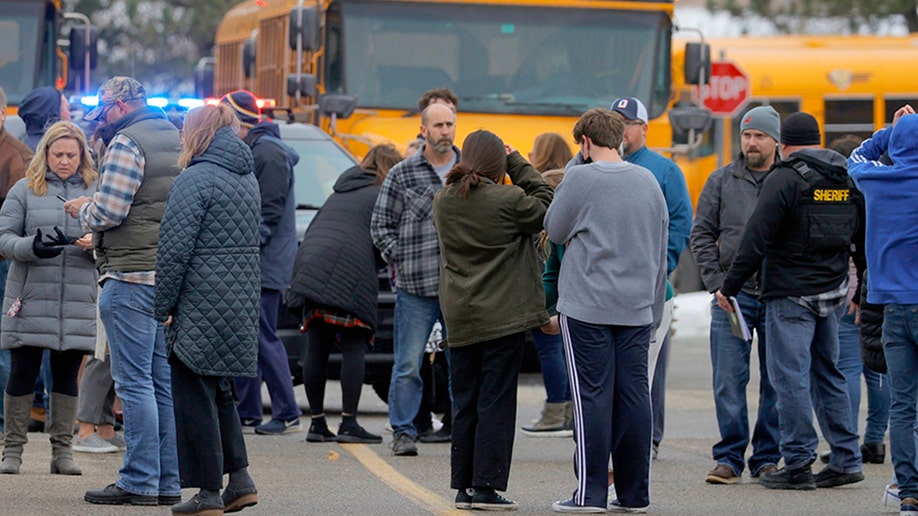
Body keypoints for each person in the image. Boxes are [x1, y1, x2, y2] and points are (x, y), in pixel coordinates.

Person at [717, 112, 865, 491]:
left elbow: (756, 239)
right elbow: (860, 238)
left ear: (783, 142)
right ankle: (846, 459)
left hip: (790, 297)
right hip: (831, 295)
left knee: (790, 378)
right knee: (828, 374)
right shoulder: (845, 178)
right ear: (818, 139)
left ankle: (798, 461)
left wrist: (729, 286)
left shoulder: (784, 178)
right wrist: (861, 287)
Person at [65, 76, 182, 506]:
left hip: (129, 274)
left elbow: (111, 211)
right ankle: (166, 481)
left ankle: (137, 479)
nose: (104, 122)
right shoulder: (174, 134)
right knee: (160, 383)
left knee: (133, 385)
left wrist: (83, 209)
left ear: (116, 107)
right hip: (164, 275)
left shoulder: (126, 143)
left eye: (104, 113)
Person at [545, 108, 667, 513]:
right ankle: (634, 494)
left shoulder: (579, 177)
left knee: (590, 399)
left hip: (588, 307)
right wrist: (652, 308)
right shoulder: (648, 180)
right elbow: (660, 248)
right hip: (636, 306)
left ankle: (589, 493)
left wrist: (572, 170)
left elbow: (556, 228)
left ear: (583, 143)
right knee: (634, 398)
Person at [433, 129, 553, 510]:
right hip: (502, 317)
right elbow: (547, 201)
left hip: (461, 315)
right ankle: (486, 486)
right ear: (497, 163)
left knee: (464, 401)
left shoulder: (443, 199)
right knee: (495, 402)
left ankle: (462, 486)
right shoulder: (509, 199)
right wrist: (517, 160)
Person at [154, 103, 261, 515]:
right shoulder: (246, 177)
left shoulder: (194, 179)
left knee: (194, 395)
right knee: (220, 392)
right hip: (237, 299)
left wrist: (163, 305)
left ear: (195, 133)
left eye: (184, 130)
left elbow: (174, 250)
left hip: (200, 300)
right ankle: (241, 480)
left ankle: (209, 494)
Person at [690, 105, 782, 483]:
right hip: (733, 296)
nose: (751, 142)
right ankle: (729, 456)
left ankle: (766, 457)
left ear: (775, 140)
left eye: (759, 135)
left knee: (777, 380)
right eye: (746, 135)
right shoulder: (721, 180)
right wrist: (716, 283)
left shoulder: (788, 179)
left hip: (779, 294)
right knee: (729, 379)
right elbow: (701, 235)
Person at [287, 144, 402, 444]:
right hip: (348, 267)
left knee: (317, 344)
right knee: (354, 344)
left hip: (310, 263)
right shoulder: (382, 194)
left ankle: (317, 423)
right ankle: (349, 423)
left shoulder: (340, 190)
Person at [0, 121, 96, 476]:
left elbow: (116, 239)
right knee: (22, 372)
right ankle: (12, 450)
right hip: (30, 295)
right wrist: (31, 246)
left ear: (82, 155)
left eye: (72, 154)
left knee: (67, 375)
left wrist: (95, 245)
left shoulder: (96, 190)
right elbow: (3, 238)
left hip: (77, 297)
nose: (65, 161)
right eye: (58, 154)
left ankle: (62, 452)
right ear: (46, 154)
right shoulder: (25, 189)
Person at [371, 102, 457, 456]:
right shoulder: (403, 173)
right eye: (437, 125)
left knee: (462, 364)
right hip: (416, 287)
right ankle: (404, 431)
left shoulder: (468, 171)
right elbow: (380, 225)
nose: (445, 131)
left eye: (450, 124)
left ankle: (461, 428)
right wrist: (401, 258)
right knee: (407, 364)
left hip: (459, 287)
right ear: (423, 130)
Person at [610, 96, 692, 458]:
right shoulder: (598, 165)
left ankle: (650, 437)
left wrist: (661, 265)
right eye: (615, 122)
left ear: (643, 128)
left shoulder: (664, 170)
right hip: (607, 284)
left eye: (627, 122)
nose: (621, 129)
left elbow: (680, 223)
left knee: (648, 367)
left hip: (649, 285)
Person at [847, 104, 918, 516]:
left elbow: (857, 155)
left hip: (892, 306)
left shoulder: (876, 179)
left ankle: (910, 492)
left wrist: (887, 132)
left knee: (903, 406)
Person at [221, 90, 303, 436]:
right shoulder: (261, 148)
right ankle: (249, 409)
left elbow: (267, 212)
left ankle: (286, 410)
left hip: (263, 261)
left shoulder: (267, 153)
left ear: (238, 119)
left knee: (261, 334)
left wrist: (245, 247)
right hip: (260, 258)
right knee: (250, 334)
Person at [17, 85, 73, 432]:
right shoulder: (26, 155)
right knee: (51, 350)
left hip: (38, 262)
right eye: (65, 106)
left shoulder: (20, 140)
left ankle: (37, 409)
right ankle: (42, 410)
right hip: (44, 260)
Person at [521, 133, 574, 436]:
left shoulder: (545, 185)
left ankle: (557, 408)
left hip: (549, 284)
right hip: (567, 288)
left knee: (550, 347)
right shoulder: (572, 179)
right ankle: (567, 409)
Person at [0, 86, 32, 435]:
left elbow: (17, 219)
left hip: (3, 262)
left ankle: (4, 421)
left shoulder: (16, 157)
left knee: (4, 343)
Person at [18, 86, 71, 150]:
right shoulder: (63, 148)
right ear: (54, 113)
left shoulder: (22, 146)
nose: (69, 114)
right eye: (67, 109)